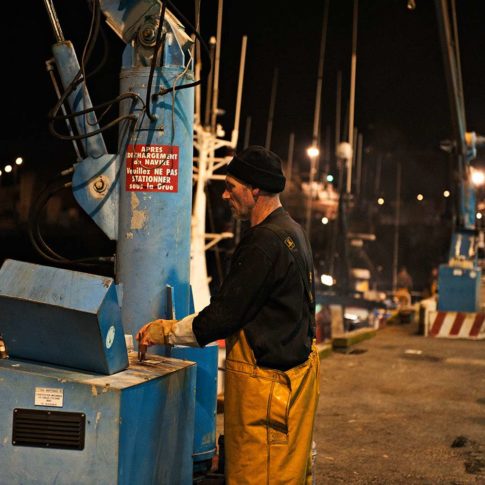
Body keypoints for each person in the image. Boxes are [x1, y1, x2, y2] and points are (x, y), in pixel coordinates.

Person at [136, 145, 320, 484]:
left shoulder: (263, 244)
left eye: (231, 186)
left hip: (267, 393)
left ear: (255, 189)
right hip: (294, 383)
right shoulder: (293, 231)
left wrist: (164, 331)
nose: (224, 194)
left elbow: (222, 317)